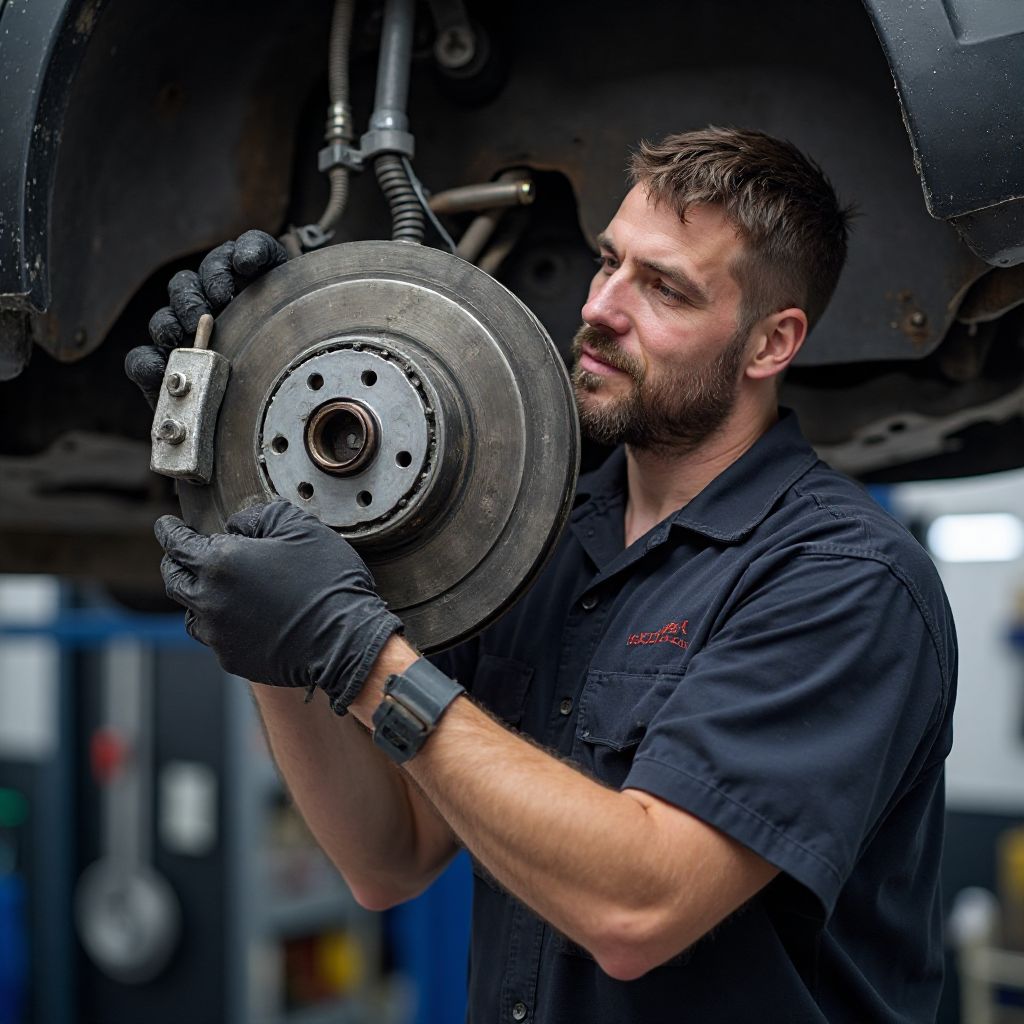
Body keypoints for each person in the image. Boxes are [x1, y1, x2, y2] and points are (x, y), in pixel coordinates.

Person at [135, 126, 957, 1022]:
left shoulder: (844, 580)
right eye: (609, 262)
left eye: (664, 288)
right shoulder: (544, 544)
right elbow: (387, 857)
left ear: (770, 343)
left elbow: (640, 908)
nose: (601, 307)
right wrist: (253, 521)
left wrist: (357, 654)